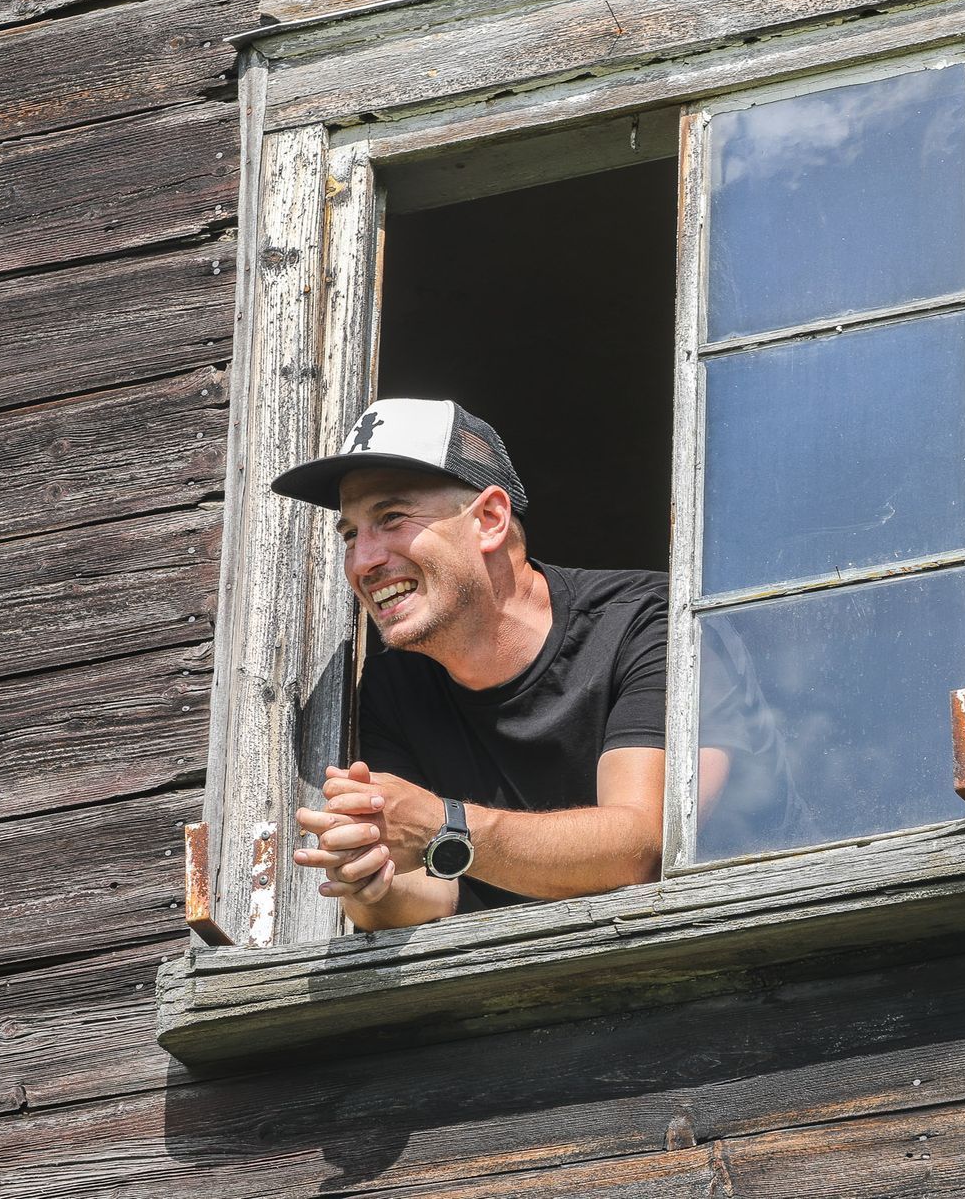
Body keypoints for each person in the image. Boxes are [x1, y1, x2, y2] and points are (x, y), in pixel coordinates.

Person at [272, 397, 674, 930]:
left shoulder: (643, 622)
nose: (364, 561)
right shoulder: (394, 685)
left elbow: (640, 850)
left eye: (391, 518)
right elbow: (431, 895)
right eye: (350, 535)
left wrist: (445, 826)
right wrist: (369, 882)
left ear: (489, 519)